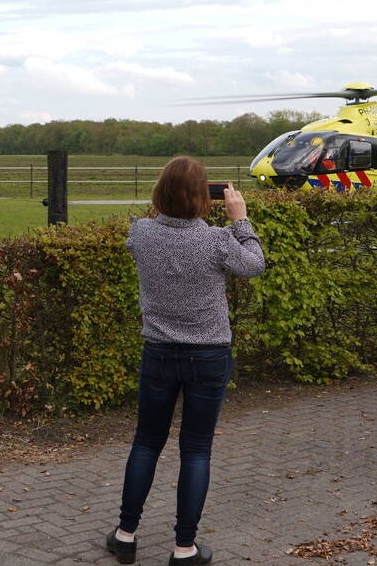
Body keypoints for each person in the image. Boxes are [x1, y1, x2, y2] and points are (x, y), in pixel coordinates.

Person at [107, 156, 266, 565]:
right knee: (195, 450)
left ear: (159, 192)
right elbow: (254, 265)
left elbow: (148, 235)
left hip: (159, 353)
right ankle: (184, 548)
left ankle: (125, 536)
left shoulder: (141, 232)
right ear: (203, 198)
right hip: (208, 355)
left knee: (146, 443)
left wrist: (171, 210)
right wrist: (240, 221)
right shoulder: (217, 240)